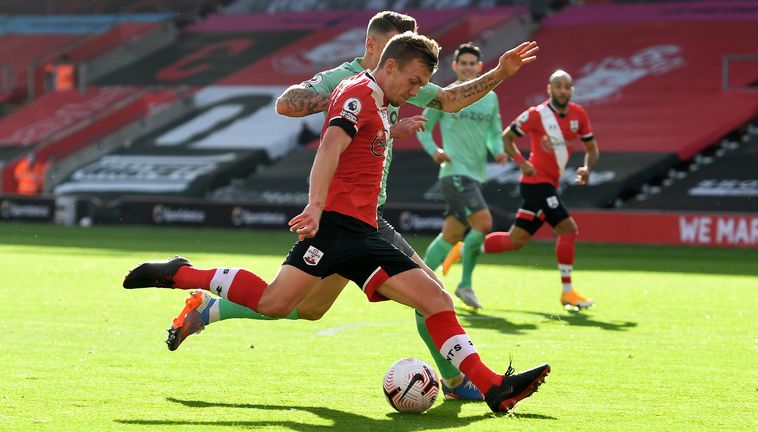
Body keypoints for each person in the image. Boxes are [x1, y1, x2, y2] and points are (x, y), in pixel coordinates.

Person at [124, 32, 550, 413]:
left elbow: (371, 136)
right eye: (414, 81)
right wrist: (315, 205)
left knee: (298, 306)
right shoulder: (357, 93)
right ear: (388, 64)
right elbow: (329, 146)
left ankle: (493, 386)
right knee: (286, 303)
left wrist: (491, 76)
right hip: (337, 228)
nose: (417, 90)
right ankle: (183, 275)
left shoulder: (382, 100)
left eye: (421, 85)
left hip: (361, 230)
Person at [442, 69, 600, 311]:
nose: (562, 91)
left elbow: (592, 149)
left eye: (567, 86)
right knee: (568, 230)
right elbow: (507, 138)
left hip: (549, 184)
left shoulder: (579, 114)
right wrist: (523, 162)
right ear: (549, 89)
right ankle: (568, 292)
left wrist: (587, 168)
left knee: (516, 240)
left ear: (572, 90)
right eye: (558, 86)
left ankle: (465, 249)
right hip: (536, 184)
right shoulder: (537, 115)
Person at [418, 43, 507, 309]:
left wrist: (499, 151)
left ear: (480, 67)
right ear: (456, 67)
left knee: (451, 234)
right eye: (463, 64)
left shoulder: (490, 97)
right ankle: (465, 284)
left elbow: (494, 131)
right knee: (483, 223)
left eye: (473, 64)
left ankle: (415, 281)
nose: (468, 68)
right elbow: (424, 127)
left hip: (475, 175)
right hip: (455, 173)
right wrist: (435, 151)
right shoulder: (447, 95)